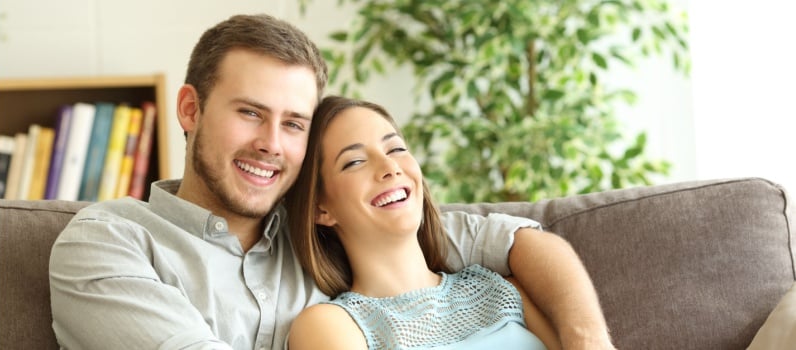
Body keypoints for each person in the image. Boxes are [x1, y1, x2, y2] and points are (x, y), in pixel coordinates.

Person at [48, 13, 614, 350]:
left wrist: (588, 340)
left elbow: (507, 237)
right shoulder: (108, 240)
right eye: (250, 112)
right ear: (190, 110)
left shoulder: (322, 235)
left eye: (293, 123)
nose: (272, 142)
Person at [286, 95, 563, 349]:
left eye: (395, 148)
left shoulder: (503, 290)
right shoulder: (330, 325)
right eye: (355, 161)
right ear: (318, 209)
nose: (390, 167)